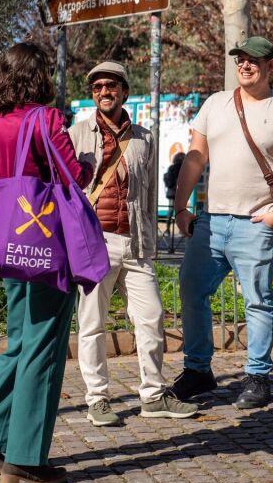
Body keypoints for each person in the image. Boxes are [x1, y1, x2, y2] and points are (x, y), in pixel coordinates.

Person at [0, 42, 94, 483]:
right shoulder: (46, 119)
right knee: (43, 347)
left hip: (11, 244)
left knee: (18, 342)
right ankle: (25, 461)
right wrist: (91, 162)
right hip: (48, 247)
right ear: (40, 77)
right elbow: (74, 175)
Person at [172, 36, 273, 410]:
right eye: (241, 59)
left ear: (270, 66)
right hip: (212, 223)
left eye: (254, 60)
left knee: (258, 301)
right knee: (191, 291)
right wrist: (181, 207)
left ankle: (257, 377)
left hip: (257, 223)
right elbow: (195, 159)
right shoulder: (215, 104)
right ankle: (198, 370)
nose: (246, 66)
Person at [70, 61, 197, 426]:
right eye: (97, 88)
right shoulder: (77, 134)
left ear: (124, 91)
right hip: (95, 242)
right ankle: (97, 398)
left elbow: (148, 190)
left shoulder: (145, 137)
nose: (104, 92)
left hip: (136, 241)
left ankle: (153, 395)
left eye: (111, 86)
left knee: (152, 318)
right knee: (92, 324)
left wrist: (152, 237)